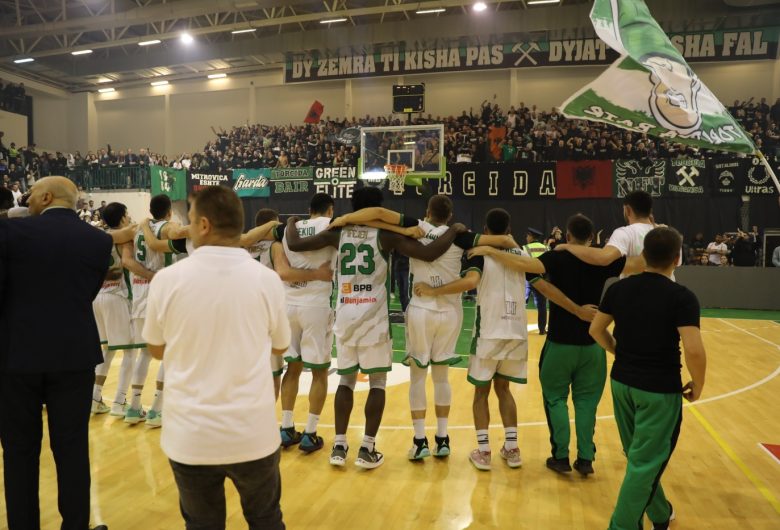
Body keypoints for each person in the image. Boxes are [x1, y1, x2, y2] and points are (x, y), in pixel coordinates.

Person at [285, 187, 465, 470]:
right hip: (373, 317)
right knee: (377, 383)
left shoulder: (337, 232)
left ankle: (340, 446)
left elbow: (295, 244)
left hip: (346, 312)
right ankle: (367, 448)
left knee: (346, 381)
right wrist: (453, 230)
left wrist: (291, 222)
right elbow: (430, 253)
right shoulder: (386, 235)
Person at [143, 186, 287, 530]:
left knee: (202, 525)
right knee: (266, 521)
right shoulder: (267, 280)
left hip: (191, 435)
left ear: (204, 225)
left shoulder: (167, 280)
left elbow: (156, 349)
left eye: (190, 221)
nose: (187, 227)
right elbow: (280, 346)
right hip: (252, 431)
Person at [469, 214, 643, 476]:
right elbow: (642, 263)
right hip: (593, 343)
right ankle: (585, 459)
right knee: (586, 404)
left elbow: (523, 264)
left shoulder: (556, 257)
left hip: (560, 342)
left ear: (568, 235)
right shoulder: (606, 261)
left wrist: (490, 250)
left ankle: (561, 457)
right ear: (591, 236)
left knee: (555, 400)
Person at [0, 176, 111, 530]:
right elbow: (87, 292)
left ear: (46, 197)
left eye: (31, 195)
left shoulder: (10, 233)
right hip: (74, 354)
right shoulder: (99, 240)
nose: (27, 201)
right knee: (72, 448)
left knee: (19, 450)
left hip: (16, 355)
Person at [589, 227, 707, 530]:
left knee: (637, 457)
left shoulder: (618, 289)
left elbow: (596, 330)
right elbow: (694, 349)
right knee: (645, 463)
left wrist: (618, 352)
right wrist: (698, 383)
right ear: (677, 258)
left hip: (621, 384)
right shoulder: (682, 297)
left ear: (643, 255)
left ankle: (660, 514)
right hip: (658, 390)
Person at [415, 208, 527, 471]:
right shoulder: (522, 254)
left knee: (481, 393)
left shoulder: (481, 254)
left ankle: (484, 451)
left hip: (489, 331)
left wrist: (434, 291)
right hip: (516, 332)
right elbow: (540, 278)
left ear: (485, 231)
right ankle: (512, 448)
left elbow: (469, 283)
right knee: (504, 390)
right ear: (509, 230)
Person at [275, 194, 339, 453]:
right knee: (320, 371)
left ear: (309, 209)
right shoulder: (332, 226)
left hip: (288, 304)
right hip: (315, 304)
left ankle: (286, 427)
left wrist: (291, 221)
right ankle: (310, 433)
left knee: (292, 368)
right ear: (330, 210)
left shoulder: (290, 229)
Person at [91, 202, 154, 414]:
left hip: (97, 296)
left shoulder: (99, 236)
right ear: (122, 217)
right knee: (129, 352)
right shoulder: (124, 237)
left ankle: (94, 397)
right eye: (127, 214)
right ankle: (119, 402)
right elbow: (128, 261)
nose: (129, 217)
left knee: (107, 350)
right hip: (117, 295)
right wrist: (151, 275)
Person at [523, 227, 548, 334]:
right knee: (542, 305)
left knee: (522, 304)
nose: (526, 238)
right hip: (541, 280)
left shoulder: (525, 248)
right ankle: (542, 329)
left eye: (527, 236)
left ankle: (520, 329)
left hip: (527, 279)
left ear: (531, 236)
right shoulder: (546, 248)